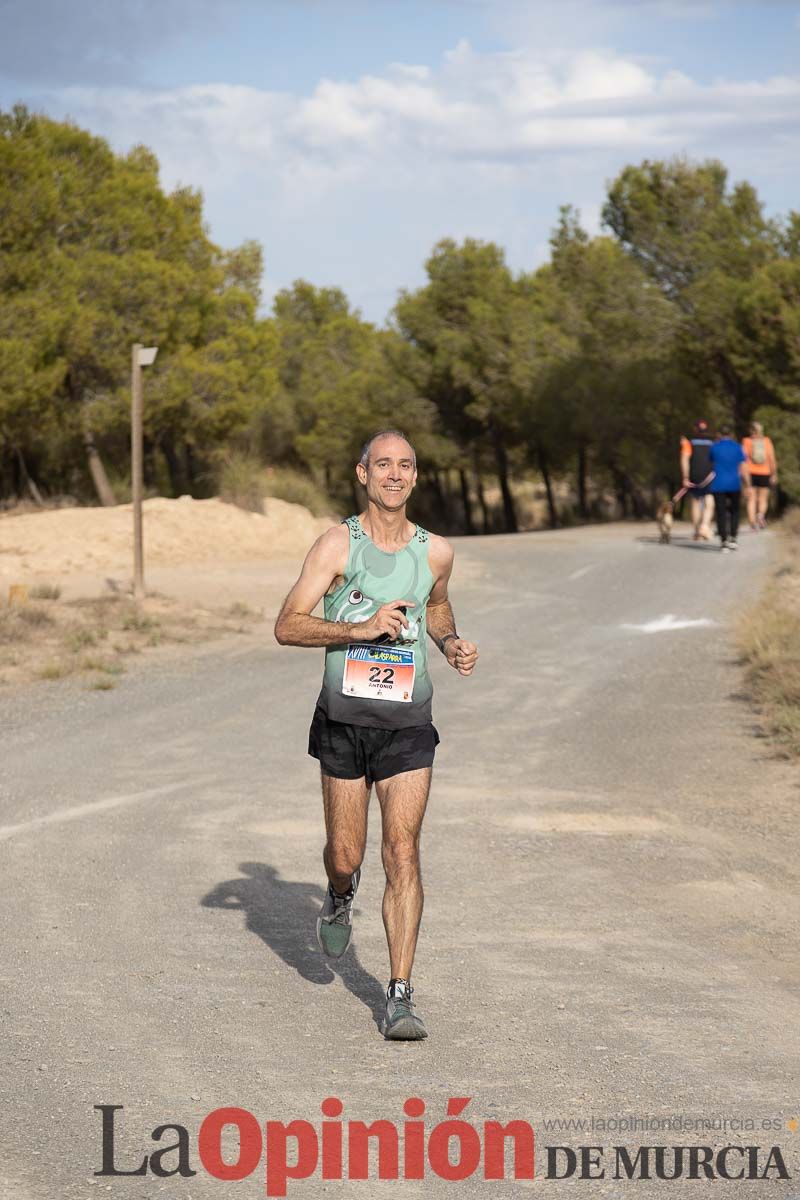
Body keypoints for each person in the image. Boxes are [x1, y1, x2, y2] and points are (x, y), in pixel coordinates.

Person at [274, 430, 478, 1040]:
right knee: (346, 855)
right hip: (343, 721)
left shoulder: (436, 552)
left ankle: (399, 994)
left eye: (405, 466)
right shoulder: (338, 544)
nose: (394, 474)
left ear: (416, 478)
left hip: (408, 725)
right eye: (383, 464)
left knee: (403, 852)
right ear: (362, 474)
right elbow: (287, 626)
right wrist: (360, 629)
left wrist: (451, 643)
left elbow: (436, 607)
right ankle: (339, 896)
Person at [709, 424, 750, 552]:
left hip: (718, 484)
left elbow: (711, 462)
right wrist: (747, 485)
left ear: (719, 434)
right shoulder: (738, 447)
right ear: (731, 434)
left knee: (720, 513)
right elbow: (743, 467)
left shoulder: (714, 447)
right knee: (735, 511)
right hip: (734, 484)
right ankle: (733, 538)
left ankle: (723, 542)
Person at [679, 420, 716, 540]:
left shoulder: (689, 443)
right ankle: (704, 526)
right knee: (709, 501)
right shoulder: (712, 443)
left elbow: (684, 459)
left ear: (695, 429)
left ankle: (697, 532)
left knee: (695, 502)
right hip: (709, 476)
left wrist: (685, 477)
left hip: (694, 475)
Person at [742, 421, 778, 530]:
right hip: (765, 472)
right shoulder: (767, 441)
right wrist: (774, 474)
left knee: (751, 499)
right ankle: (760, 515)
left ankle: (752, 523)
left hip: (750, 473)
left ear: (750, 430)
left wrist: (742, 474)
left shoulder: (746, 441)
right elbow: (772, 459)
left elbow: (743, 459)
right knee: (763, 498)